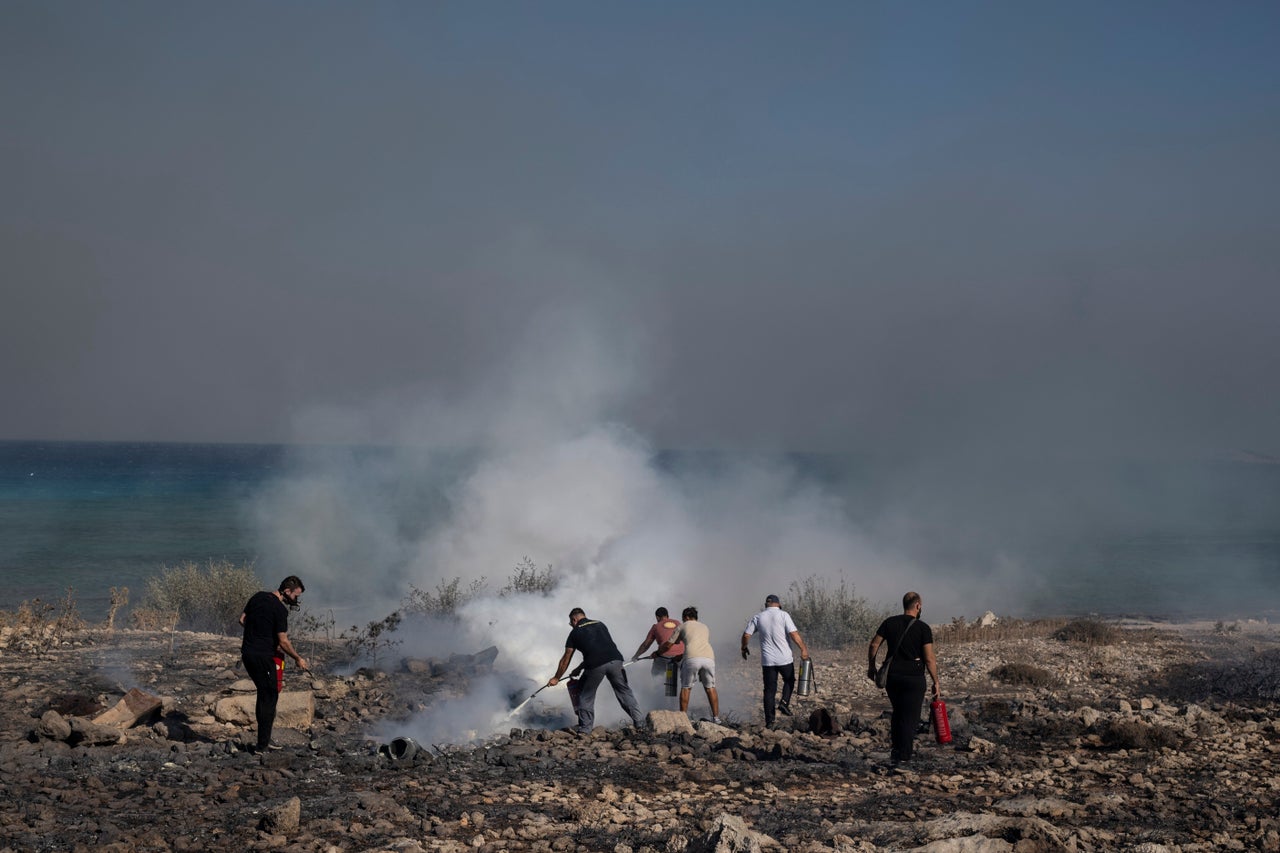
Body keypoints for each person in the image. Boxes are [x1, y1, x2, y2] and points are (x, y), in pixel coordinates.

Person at [867, 590, 940, 768]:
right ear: (918, 605)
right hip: (914, 677)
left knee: (898, 713)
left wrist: (872, 666)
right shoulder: (923, 628)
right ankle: (904, 757)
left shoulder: (889, 622)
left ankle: (896, 751)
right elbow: (929, 658)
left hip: (892, 677)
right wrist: (936, 681)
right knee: (910, 718)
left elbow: (874, 643)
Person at [548, 608, 646, 734]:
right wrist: (579, 668)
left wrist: (556, 678)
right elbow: (599, 649)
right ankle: (640, 724)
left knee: (585, 695)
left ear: (574, 619)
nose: (571, 626)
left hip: (595, 666)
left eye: (570, 623)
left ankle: (585, 730)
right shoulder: (600, 624)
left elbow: (566, 658)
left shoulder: (575, 633)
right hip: (616, 660)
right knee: (624, 692)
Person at [240, 575, 308, 753]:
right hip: (264, 658)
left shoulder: (257, 597)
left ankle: (263, 741)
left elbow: (242, 620)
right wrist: (298, 658)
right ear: (287, 591)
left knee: (264, 694)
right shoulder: (280, 610)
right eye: (295, 596)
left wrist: (256, 634)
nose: (296, 600)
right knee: (269, 697)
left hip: (247, 654)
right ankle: (262, 746)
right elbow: (284, 642)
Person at [740, 593, 809, 726]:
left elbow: (746, 635)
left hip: (768, 661)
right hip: (784, 659)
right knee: (789, 680)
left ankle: (770, 721)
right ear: (778, 604)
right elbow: (793, 634)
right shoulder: (783, 615)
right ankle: (784, 703)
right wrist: (803, 649)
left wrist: (744, 648)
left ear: (766, 605)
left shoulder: (758, 617)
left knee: (769, 690)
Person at [657, 606, 720, 723]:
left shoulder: (682, 626)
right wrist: (680, 656)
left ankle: (683, 719)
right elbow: (696, 645)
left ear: (686, 617)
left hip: (691, 658)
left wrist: (657, 653)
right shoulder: (705, 627)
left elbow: (668, 645)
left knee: (686, 687)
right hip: (709, 658)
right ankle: (716, 718)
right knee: (710, 687)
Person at [631, 607, 685, 685]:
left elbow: (646, 645)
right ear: (668, 616)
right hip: (681, 657)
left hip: (665, 657)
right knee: (680, 678)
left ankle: (658, 691)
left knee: (656, 675)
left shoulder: (656, 626)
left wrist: (636, 656)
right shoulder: (677, 623)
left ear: (657, 617)